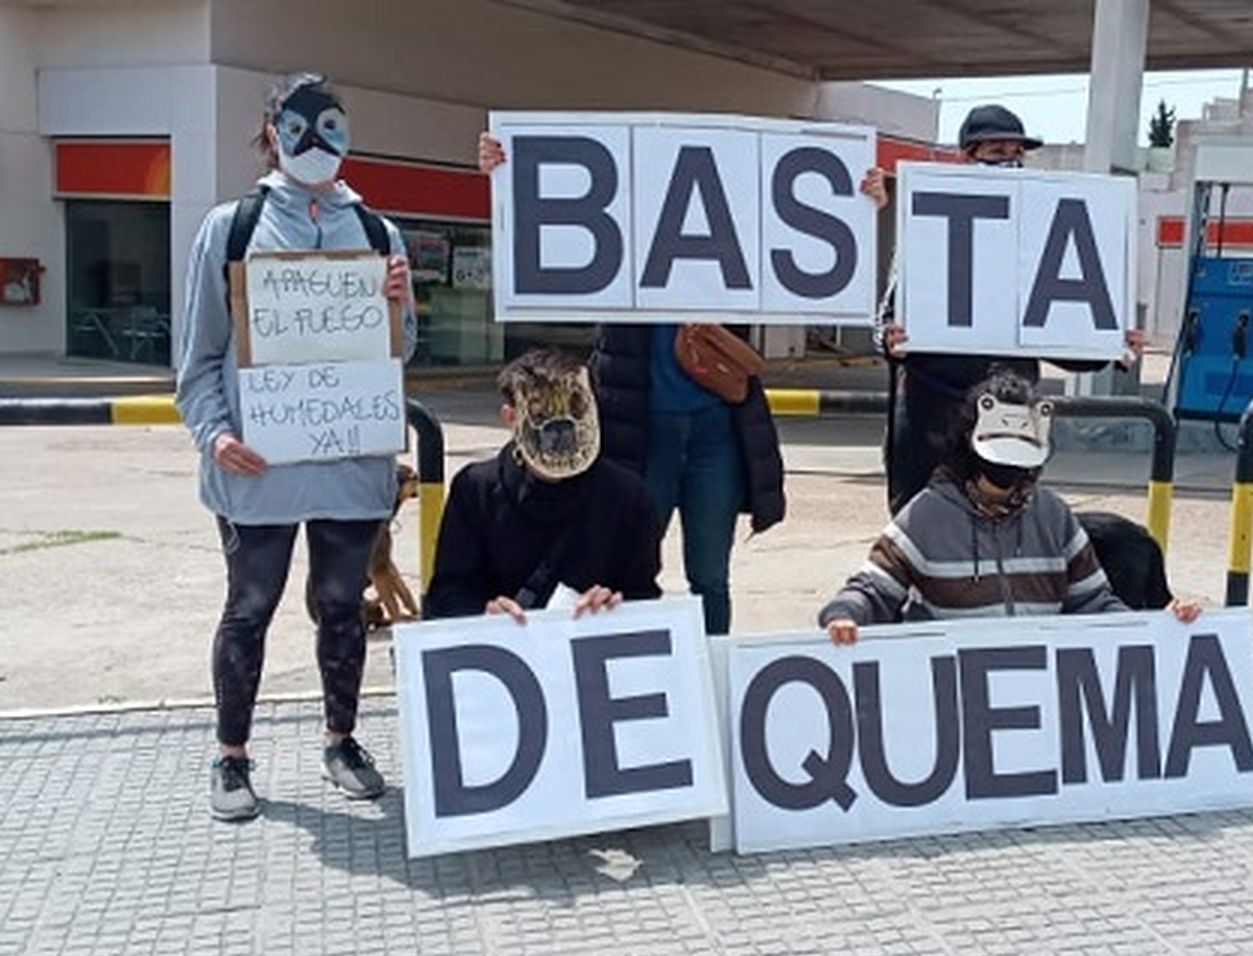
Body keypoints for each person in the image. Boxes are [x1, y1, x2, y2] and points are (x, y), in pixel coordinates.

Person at [478, 131, 887, 635]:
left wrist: (859, 201)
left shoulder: (737, 241)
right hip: (640, 432)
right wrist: (506, 174)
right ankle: (625, 668)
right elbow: (553, 238)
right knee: (621, 570)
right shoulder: (619, 244)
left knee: (710, 577)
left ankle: (711, 676)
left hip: (717, 430)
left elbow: (812, 248)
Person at [176, 73, 416, 821]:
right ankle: (232, 755)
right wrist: (215, 435)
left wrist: (400, 307)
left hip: (348, 466)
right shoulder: (233, 227)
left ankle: (342, 739)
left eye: (332, 126)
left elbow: (399, 352)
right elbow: (198, 359)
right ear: (273, 131)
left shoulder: (376, 231)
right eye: (301, 127)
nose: (317, 143)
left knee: (343, 604)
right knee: (250, 606)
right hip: (261, 472)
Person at [870, 104, 1145, 515]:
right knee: (921, 528)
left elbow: (1060, 337)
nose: (1010, 162)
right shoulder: (927, 226)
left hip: (1011, 414)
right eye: (997, 152)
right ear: (965, 156)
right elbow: (887, 318)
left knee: (1007, 526)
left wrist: (1106, 342)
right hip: (933, 415)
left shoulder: (1037, 233)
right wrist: (891, 339)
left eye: (1017, 153)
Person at [820, 370, 1200, 644]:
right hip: (952, 694)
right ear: (969, 450)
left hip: (1039, 694)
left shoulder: (1052, 516)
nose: (1009, 481)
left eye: (1021, 469)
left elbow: (1094, 602)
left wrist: (1160, 625)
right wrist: (843, 615)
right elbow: (873, 589)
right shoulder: (925, 517)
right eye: (1000, 466)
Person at [423, 348, 663, 621]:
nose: (560, 428)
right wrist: (484, 613)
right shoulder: (476, 490)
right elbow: (447, 594)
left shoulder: (629, 498)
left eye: (576, 409)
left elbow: (643, 596)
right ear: (510, 417)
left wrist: (615, 606)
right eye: (539, 415)